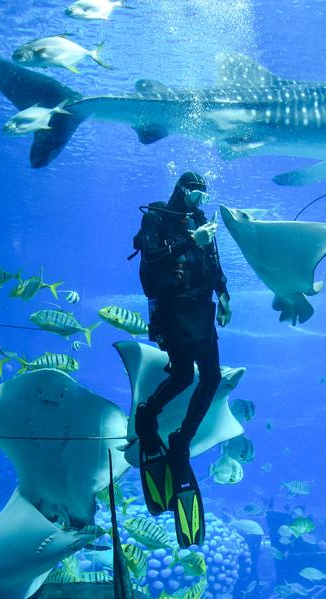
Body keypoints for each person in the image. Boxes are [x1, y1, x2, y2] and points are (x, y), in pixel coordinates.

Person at [132, 171, 231, 507]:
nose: (198, 201)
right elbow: (152, 255)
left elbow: (213, 261)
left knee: (212, 377)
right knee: (184, 375)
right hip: (173, 310)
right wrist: (192, 240)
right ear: (180, 190)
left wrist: (225, 295)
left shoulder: (200, 221)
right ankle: (148, 414)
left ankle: (181, 440)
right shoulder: (156, 217)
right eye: (194, 194)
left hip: (202, 309)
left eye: (203, 195)